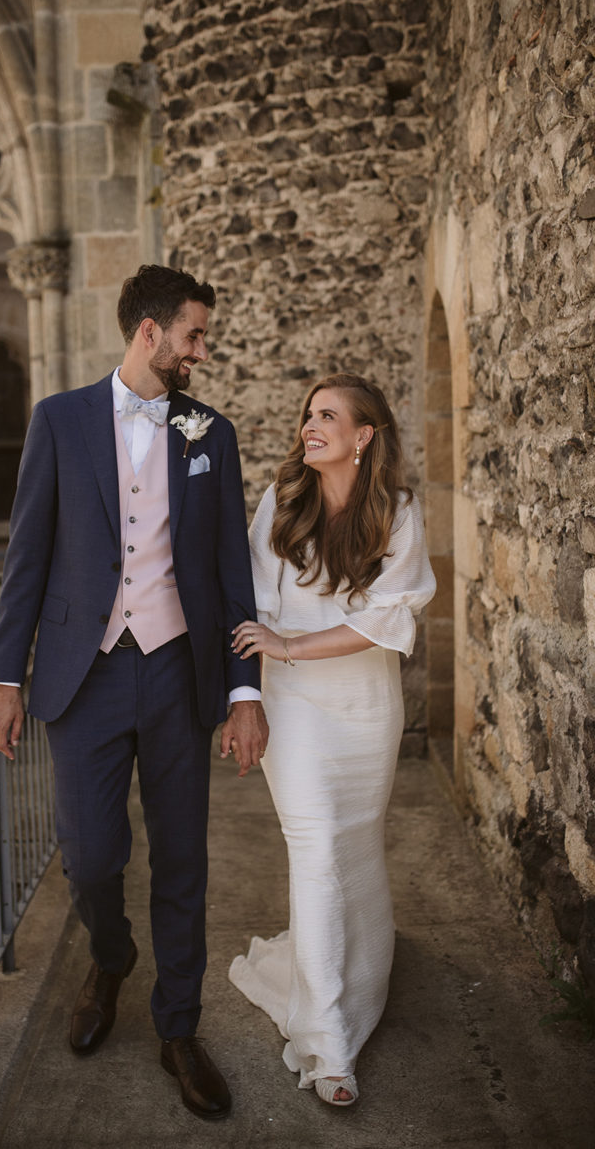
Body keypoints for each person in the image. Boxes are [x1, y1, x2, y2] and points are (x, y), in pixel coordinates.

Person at [0, 264, 268, 1122]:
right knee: (92, 854)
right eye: (194, 335)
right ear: (150, 333)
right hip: (86, 672)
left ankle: (177, 1027)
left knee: (183, 858)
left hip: (180, 674)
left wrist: (245, 687)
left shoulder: (210, 434)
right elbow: (26, 557)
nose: (202, 351)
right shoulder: (59, 420)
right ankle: (110, 956)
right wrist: (5, 676)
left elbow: (230, 569)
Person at [228, 373, 435, 1109]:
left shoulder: (398, 513)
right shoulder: (280, 504)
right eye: (307, 414)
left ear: (364, 435)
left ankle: (359, 980)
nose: (310, 425)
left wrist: (290, 644)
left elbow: (387, 621)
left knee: (354, 845)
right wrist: (251, 684)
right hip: (296, 712)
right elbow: (251, 610)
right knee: (315, 851)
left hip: (366, 705)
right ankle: (329, 1045)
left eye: (327, 415)